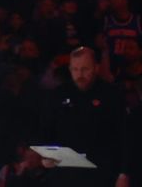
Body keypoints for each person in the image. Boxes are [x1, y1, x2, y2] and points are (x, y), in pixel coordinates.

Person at [39, 47, 128, 187]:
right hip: (65, 174)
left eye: (85, 69)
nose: (80, 74)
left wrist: (123, 173)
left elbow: (123, 135)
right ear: (70, 69)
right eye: (75, 69)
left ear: (96, 68)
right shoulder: (58, 95)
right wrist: (46, 155)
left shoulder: (111, 95)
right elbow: (46, 129)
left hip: (101, 173)